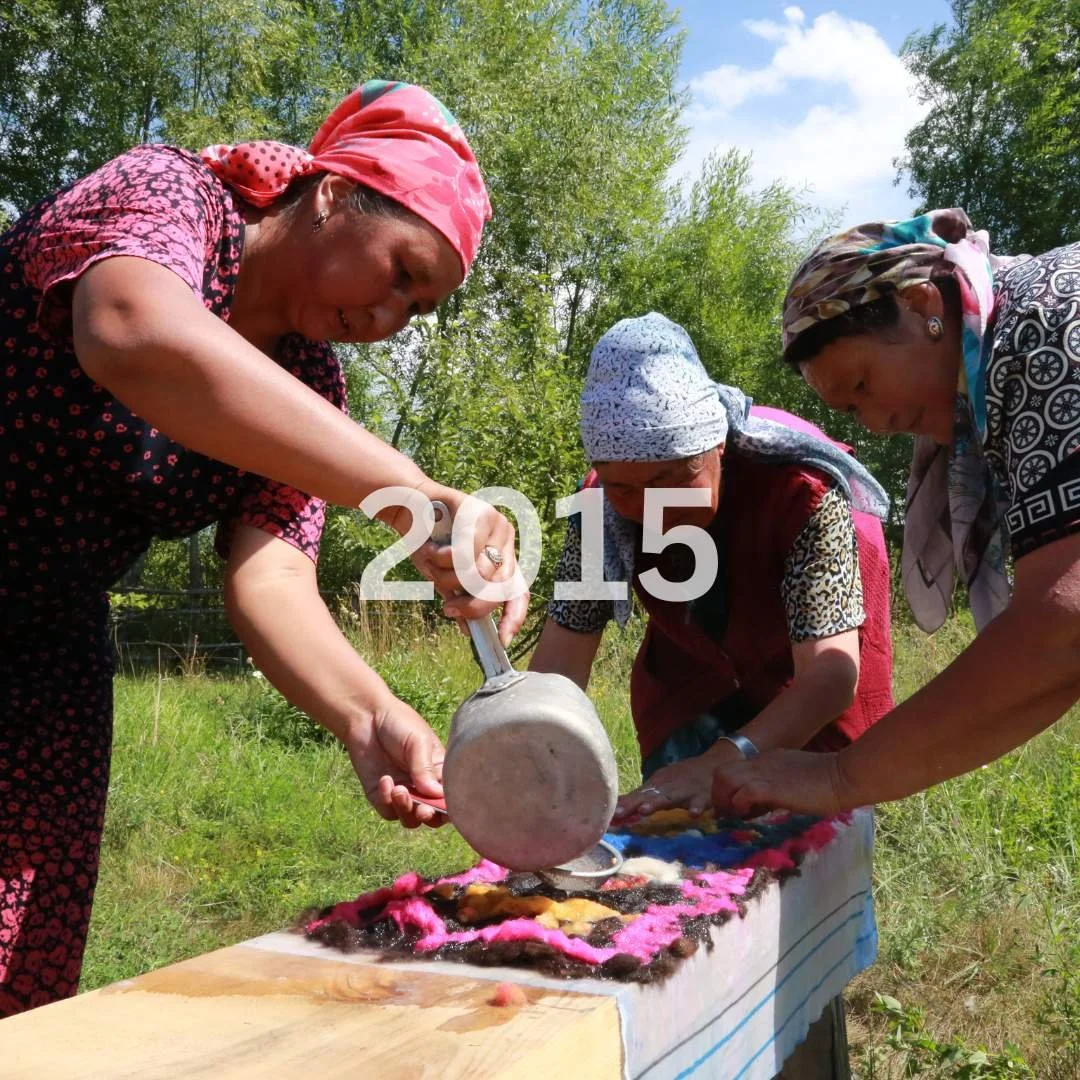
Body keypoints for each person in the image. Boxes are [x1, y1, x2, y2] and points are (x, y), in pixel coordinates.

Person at [0, 79, 525, 1015]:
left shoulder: (313, 387)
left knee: (17, 967)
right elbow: (130, 328)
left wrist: (370, 718)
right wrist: (417, 498)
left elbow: (272, 574)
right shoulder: (170, 196)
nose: (393, 315)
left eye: (421, 306)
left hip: (41, 656)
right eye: (401, 271)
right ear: (331, 193)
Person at [711, 210, 1080, 819]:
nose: (877, 421)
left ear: (919, 303)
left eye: (863, 384)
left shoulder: (1043, 327)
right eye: (852, 413)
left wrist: (839, 777)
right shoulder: (1002, 358)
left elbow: (1061, 628)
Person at [528, 312, 894, 819]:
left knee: (807, 869)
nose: (650, 507)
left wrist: (722, 763)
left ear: (716, 445)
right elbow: (560, 665)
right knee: (678, 862)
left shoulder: (802, 491)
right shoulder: (599, 507)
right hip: (691, 691)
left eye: (670, 480)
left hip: (808, 699)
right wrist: (523, 757)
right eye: (625, 488)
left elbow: (829, 676)